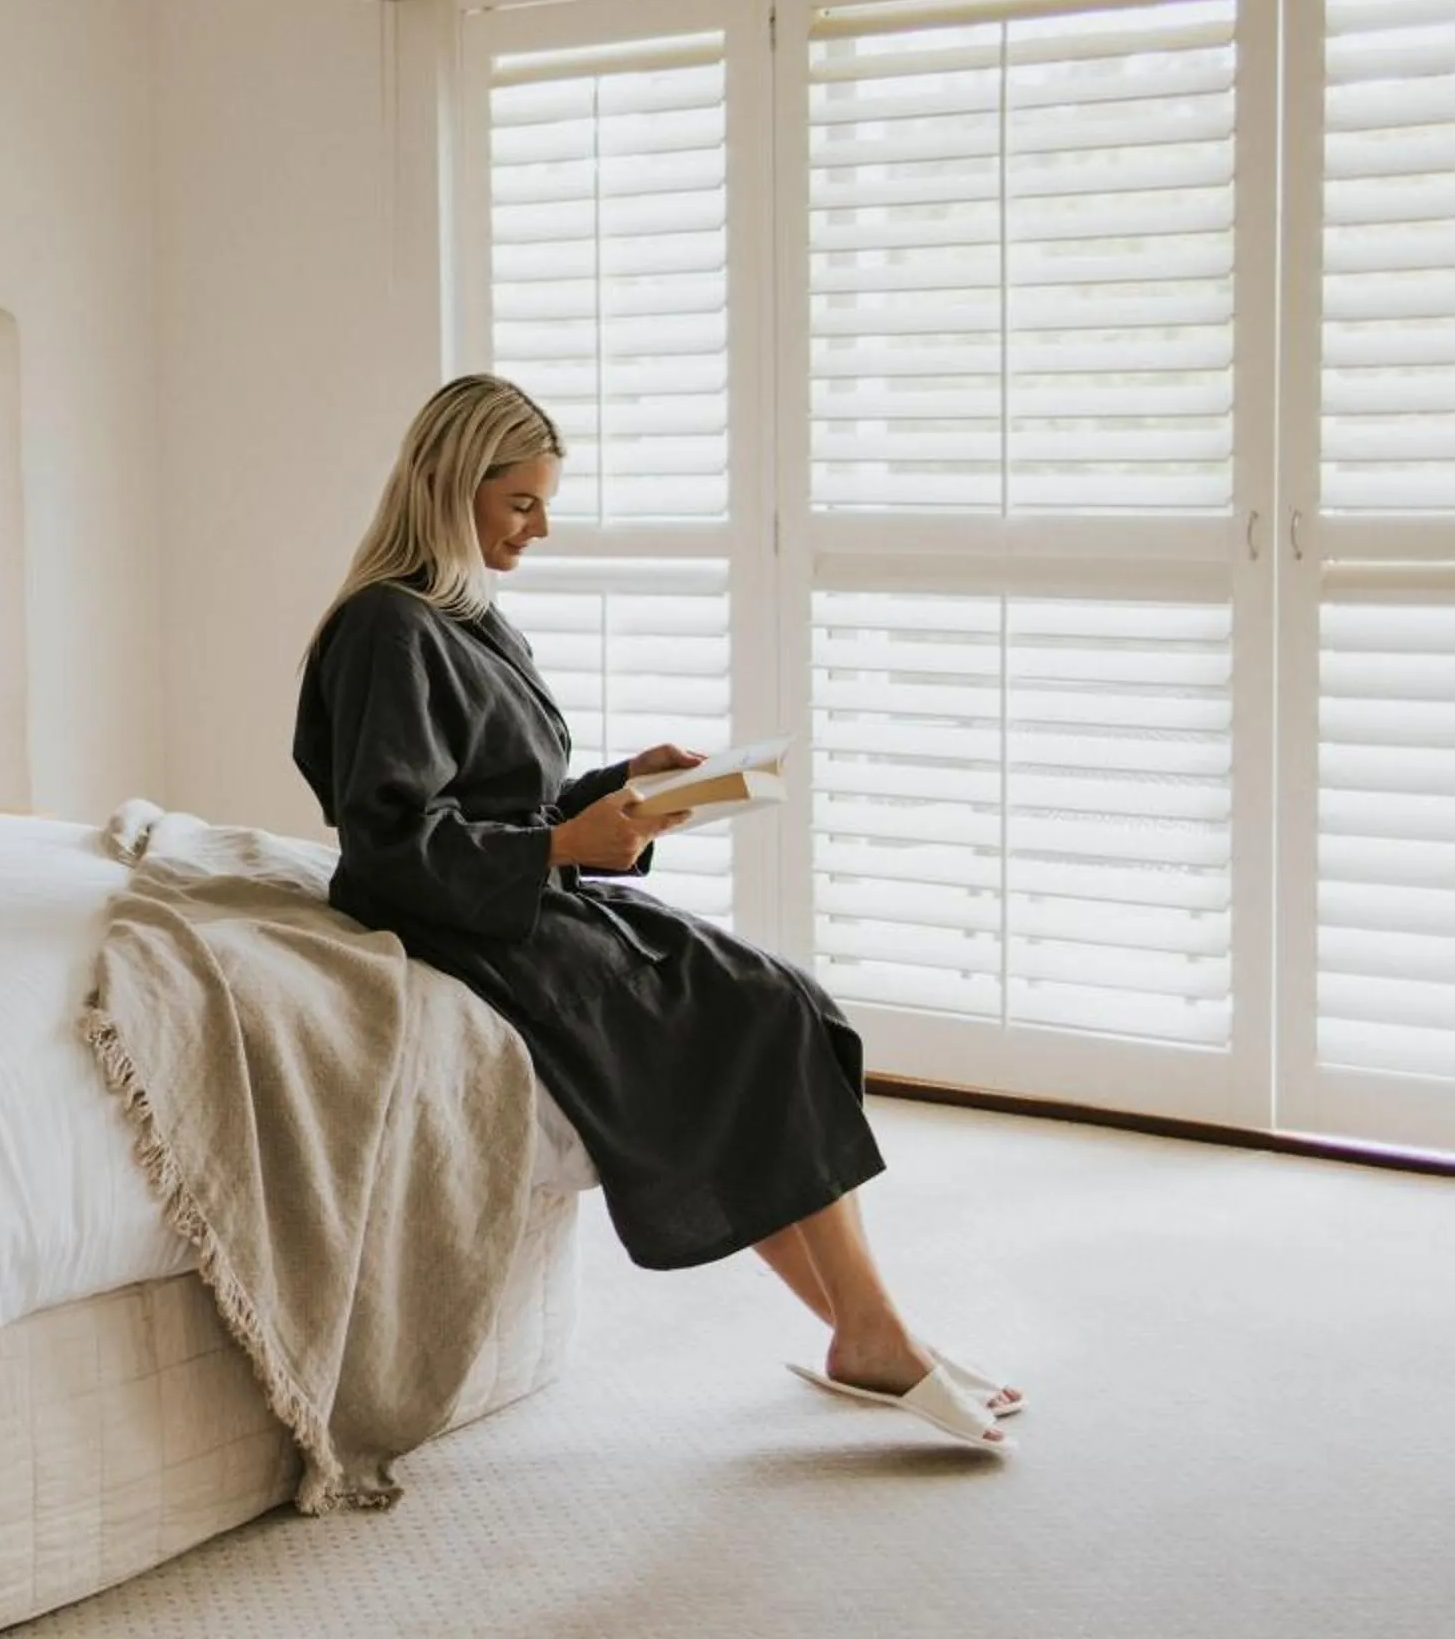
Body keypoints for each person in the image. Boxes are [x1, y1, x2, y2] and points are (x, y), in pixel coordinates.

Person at [293, 374, 1021, 1453]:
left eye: (544, 504)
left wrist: (623, 786)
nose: (540, 527)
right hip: (461, 920)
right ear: (450, 484)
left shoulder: (463, 615)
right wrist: (561, 847)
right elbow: (390, 845)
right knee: (749, 1015)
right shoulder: (384, 627)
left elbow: (503, 797)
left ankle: (868, 1329)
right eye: (522, 503)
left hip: (520, 893)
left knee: (780, 1003)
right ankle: (872, 1333)